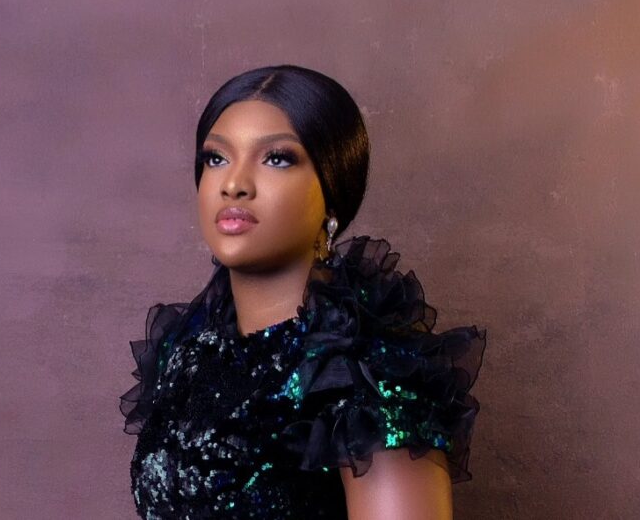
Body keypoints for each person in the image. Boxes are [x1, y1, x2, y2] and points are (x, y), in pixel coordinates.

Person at [120, 64, 486, 519]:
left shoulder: (366, 378)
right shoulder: (191, 356)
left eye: (277, 158)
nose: (233, 183)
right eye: (216, 158)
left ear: (332, 194)